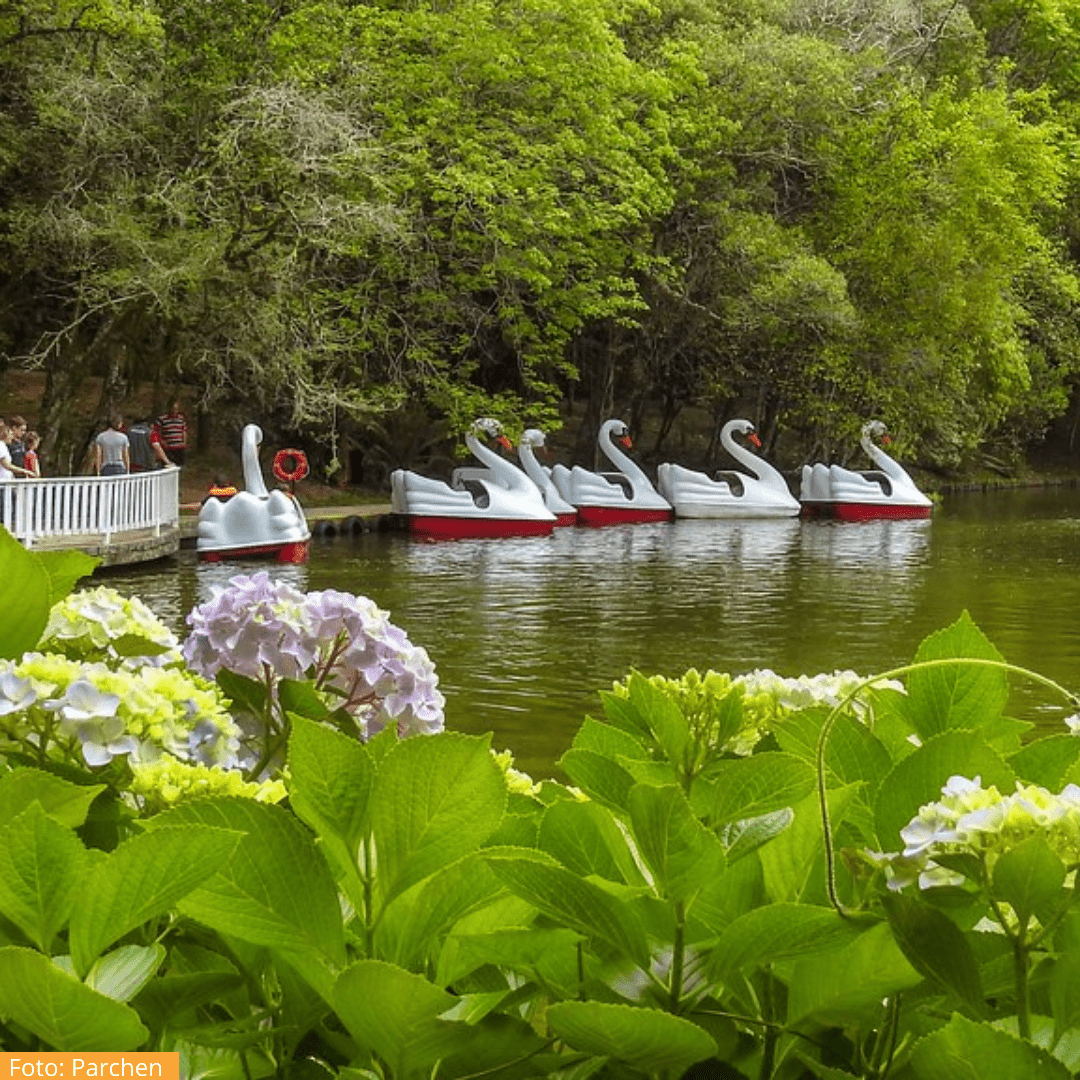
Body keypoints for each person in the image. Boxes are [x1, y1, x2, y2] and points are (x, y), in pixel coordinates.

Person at [157, 399, 188, 467]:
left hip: (180, 448)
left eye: (176, 409)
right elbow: (157, 432)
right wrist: (162, 442)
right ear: (169, 408)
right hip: (169, 449)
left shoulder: (181, 419)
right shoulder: (162, 419)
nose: (174, 411)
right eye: (173, 409)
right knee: (169, 467)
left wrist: (184, 442)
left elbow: (184, 431)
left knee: (180, 467)